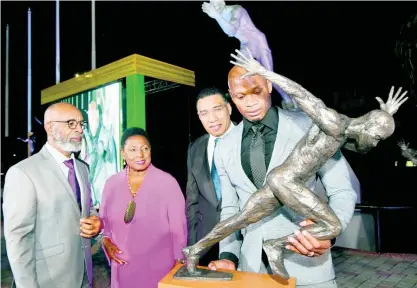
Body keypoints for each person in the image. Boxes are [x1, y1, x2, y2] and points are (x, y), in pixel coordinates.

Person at [182, 54, 363, 286]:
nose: (250, 103)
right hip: (251, 270)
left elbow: (342, 191)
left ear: (268, 84)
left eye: (256, 91)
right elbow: (230, 209)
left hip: (307, 267)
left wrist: (329, 234)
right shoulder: (225, 147)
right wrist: (228, 256)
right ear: (231, 97)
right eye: (240, 96)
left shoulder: (309, 126)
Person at [3, 102, 102, 288]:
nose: (79, 129)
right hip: (47, 279)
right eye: (71, 123)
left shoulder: (83, 169)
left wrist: (96, 221)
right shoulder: (23, 173)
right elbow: (19, 239)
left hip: (84, 274)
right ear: (50, 127)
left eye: (81, 124)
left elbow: (87, 208)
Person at [100, 127, 187, 288]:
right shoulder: (111, 184)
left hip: (160, 269)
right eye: (132, 150)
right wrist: (106, 242)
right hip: (122, 267)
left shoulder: (167, 182)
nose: (140, 155)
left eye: (144, 149)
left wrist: (180, 261)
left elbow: (179, 228)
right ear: (123, 153)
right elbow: (105, 225)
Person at [202, 0, 298, 110]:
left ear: (223, 2)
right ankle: (246, 100)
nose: (215, 7)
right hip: (246, 45)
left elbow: (231, 31)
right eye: (213, 5)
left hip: (258, 41)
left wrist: (216, 16)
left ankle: (288, 98)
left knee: (269, 75)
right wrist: (216, 16)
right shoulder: (218, 13)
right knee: (237, 74)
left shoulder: (237, 10)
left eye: (217, 4)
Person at [186, 87, 235, 266]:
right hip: (206, 243)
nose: (212, 119)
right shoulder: (195, 148)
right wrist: (193, 247)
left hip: (244, 239)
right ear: (199, 116)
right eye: (204, 113)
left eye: (217, 109)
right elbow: (192, 202)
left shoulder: (248, 140)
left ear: (229, 108)